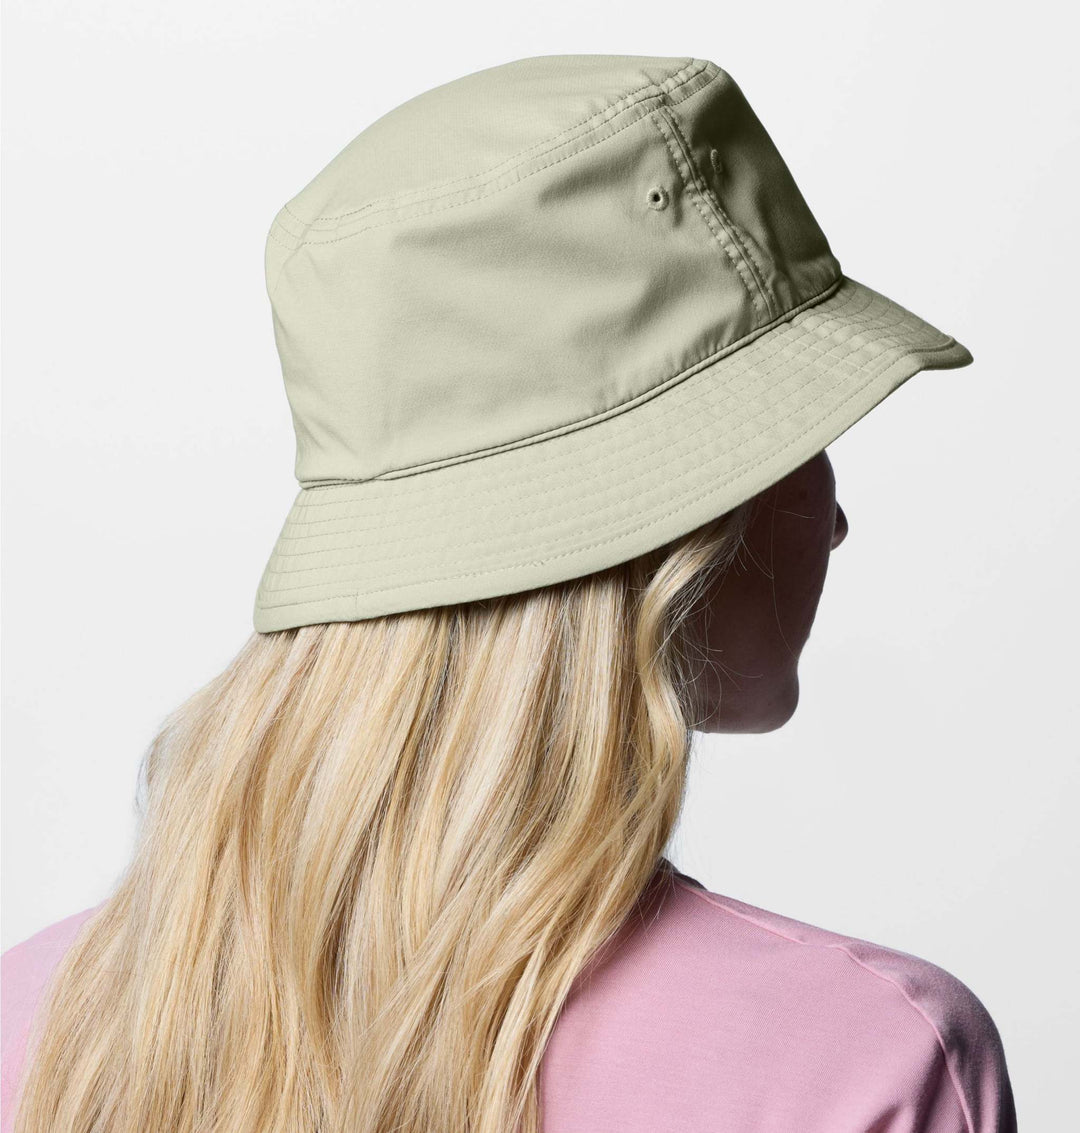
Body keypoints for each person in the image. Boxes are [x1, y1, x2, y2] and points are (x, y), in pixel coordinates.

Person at [2, 54, 1016, 1133]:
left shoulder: (42, 1021)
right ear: (695, 523)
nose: (838, 517)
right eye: (801, 437)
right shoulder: (867, 1057)